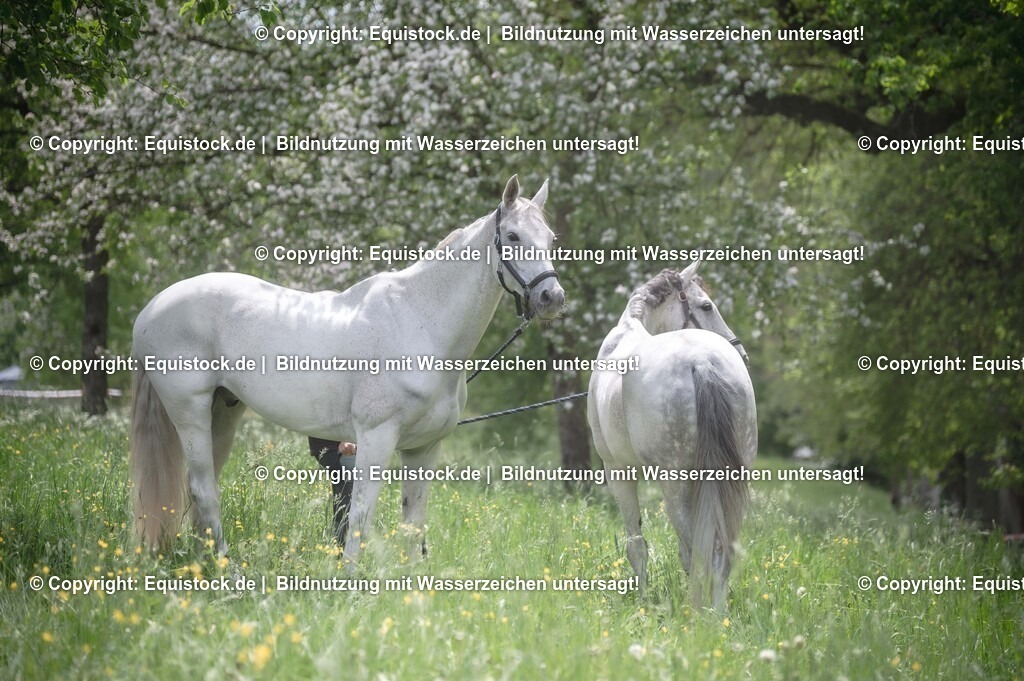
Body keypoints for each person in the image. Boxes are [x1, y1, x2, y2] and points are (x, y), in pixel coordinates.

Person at [307, 438, 357, 544]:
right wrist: (346, 437)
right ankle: (343, 551)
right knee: (348, 499)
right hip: (339, 446)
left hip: (336, 445)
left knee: (344, 497)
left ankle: (339, 550)